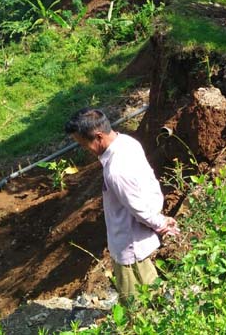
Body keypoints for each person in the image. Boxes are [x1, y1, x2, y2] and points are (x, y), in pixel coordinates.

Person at [65, 108, 179, 303]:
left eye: (84, 144)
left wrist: (161, 223)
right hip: (138, 240)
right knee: (154, 297)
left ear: (98, 137)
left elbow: (137, 207)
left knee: (139, 307)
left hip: (130, 248)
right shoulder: (127, 143)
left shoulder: (116, 170)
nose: (86, 149)